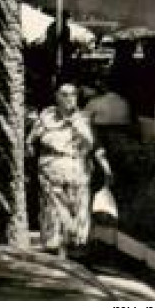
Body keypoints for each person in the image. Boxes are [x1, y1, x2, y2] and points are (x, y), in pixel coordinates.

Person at [28, 83, 110, 256]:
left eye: (73, 94)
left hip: (77, 169)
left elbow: (96, 145)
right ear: (57, 96)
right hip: (51, 169)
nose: (69, 98)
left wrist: (105, 167)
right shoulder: (46, 117)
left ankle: (76, 248)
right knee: (53, 211)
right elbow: (31, 142)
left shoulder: (85, 119)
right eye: (64, 94)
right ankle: (55, 247)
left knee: (78, 211)